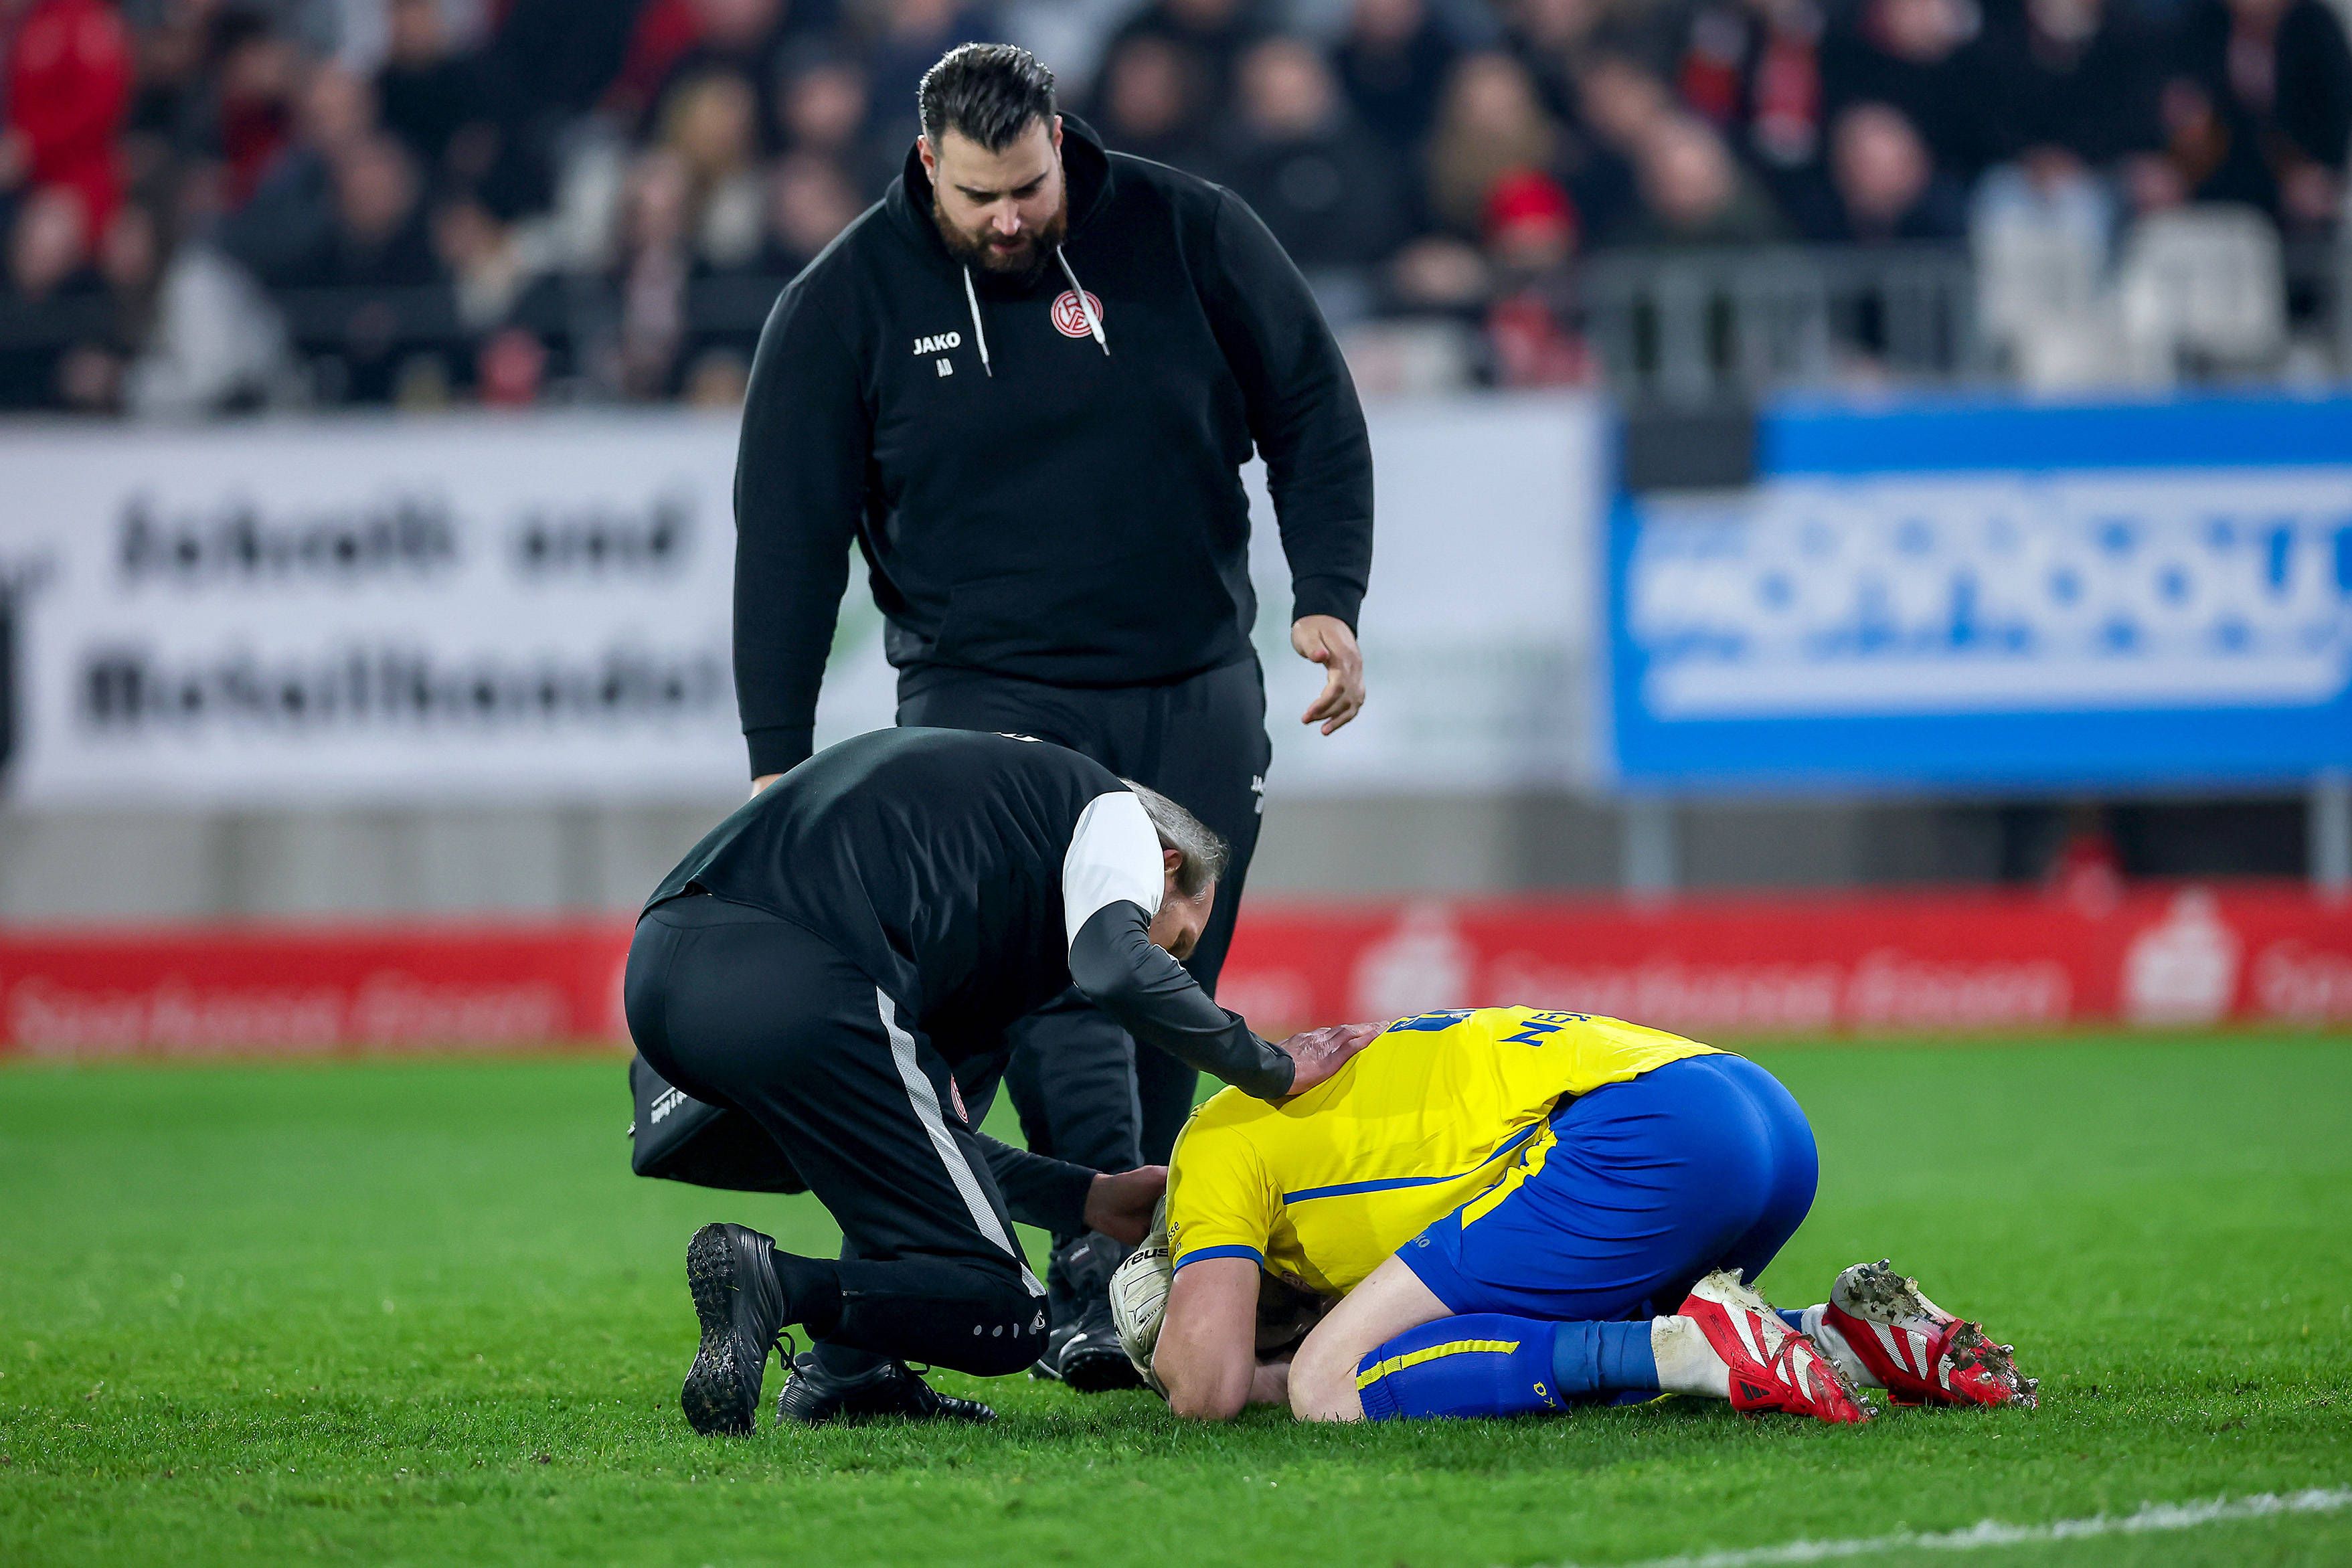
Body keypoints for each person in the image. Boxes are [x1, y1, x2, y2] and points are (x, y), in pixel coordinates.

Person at [730, 42, 1373, 1389]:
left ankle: (1104, 1277)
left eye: (1029, 187)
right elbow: (785, 542)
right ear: (926, 165)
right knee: (1070, 967)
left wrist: (1328, 592)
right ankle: (1086, 1267)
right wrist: (775, 760)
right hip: (984, 694)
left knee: (1169, 986)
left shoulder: (1188, 232)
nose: (1010, 217)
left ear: (1059, 141)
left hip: (1192, 684)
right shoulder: (841, 301)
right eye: (979, 196)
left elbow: (1311, 405)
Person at [622, 727, 1374, 1435]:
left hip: (662, 972)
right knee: (1007, 1309)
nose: (1166, 966)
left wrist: (1082, 1198)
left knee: (914, 1199)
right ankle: (780, 1284)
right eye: (1172, 942)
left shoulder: (979, 872)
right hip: (796, 972)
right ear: (1167, 865)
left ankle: (850, 1377)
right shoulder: (1111, 809)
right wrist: (1274, 1068)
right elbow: (1117, 967)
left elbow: (927, 1152)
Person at [1120, 1006, 2035, 1423]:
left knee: (1328, 1384)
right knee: (1509, 1341)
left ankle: (1699, 1347)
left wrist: (1244, 1372)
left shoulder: (1209, 1151)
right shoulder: (1309, 1147)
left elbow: (1206, 1389)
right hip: (1758, 1108)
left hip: (1646, 1131)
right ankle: (1849, 1337)